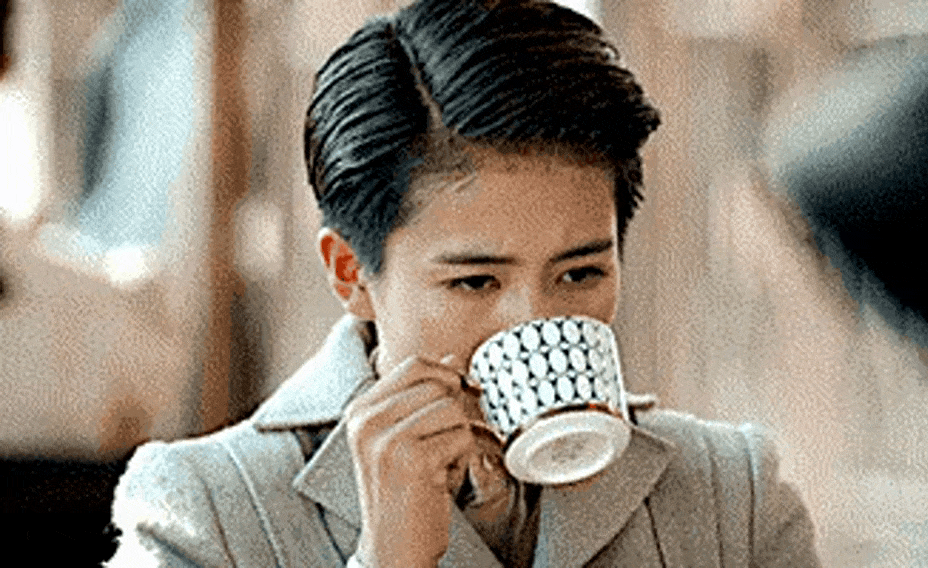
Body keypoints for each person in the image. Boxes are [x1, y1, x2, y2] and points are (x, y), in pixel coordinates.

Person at [108, 0, 821, 566]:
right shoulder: (205, 508)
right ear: (351, 273)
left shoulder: (731, 495)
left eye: (581, 272)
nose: (535, 322)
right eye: (476, 283)